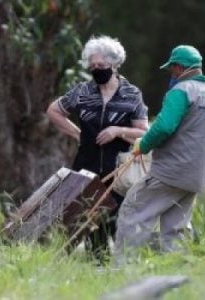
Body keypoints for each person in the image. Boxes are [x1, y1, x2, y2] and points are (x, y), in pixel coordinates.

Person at [114, 45, 205, 261]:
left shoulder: (181, 91)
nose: (171, 75)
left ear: (179, 67)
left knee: (133, 209)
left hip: (171, 171)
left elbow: (164, 126)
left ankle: (123, 268)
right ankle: (178, 270)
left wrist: (142, 145)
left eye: (171, 70)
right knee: (176, 227)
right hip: (197, 175)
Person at [47, 36, 148, 260]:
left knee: (116, 217)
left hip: (119, 168)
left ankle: (124, 263)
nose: (96, 70)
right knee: (90, 218)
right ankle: (98, 264)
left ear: (114, 64)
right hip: (87, 165)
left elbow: (144, 133)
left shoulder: (132, 94)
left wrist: (118, 131)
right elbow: (54, 110)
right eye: (92, 66)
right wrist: (76, 133)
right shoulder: (83, 90)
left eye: (101, 66)